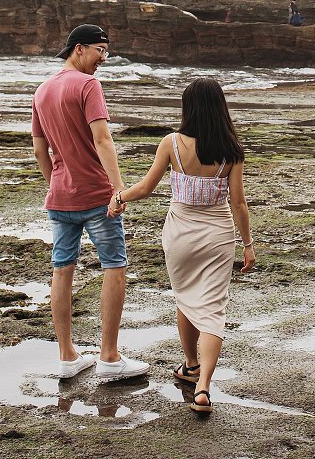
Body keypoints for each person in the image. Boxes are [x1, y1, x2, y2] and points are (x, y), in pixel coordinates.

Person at [109, 77, 255, 414]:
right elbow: (239, 205)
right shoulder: (231, 150)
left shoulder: (171, 143)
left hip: (180, 235)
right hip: (219, 235)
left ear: (188, 108)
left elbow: (145, 188)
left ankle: (191, 364)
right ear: (221, 108)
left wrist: (119, 196)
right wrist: (247, 244)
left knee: (185, 296)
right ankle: (202, 384)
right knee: (213, 309)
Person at [31, 24, 148, 382]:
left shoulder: (42, 90)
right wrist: (118, 189)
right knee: (114, 266)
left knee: (62, 268)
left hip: (61, 197)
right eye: (101, 50)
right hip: (98, 195)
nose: (103, 59)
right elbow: (103, 139)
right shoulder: (87, 85)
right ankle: (109, 357)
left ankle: (68, 356)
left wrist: (56, 184)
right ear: (79, 48)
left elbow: (39, 149)